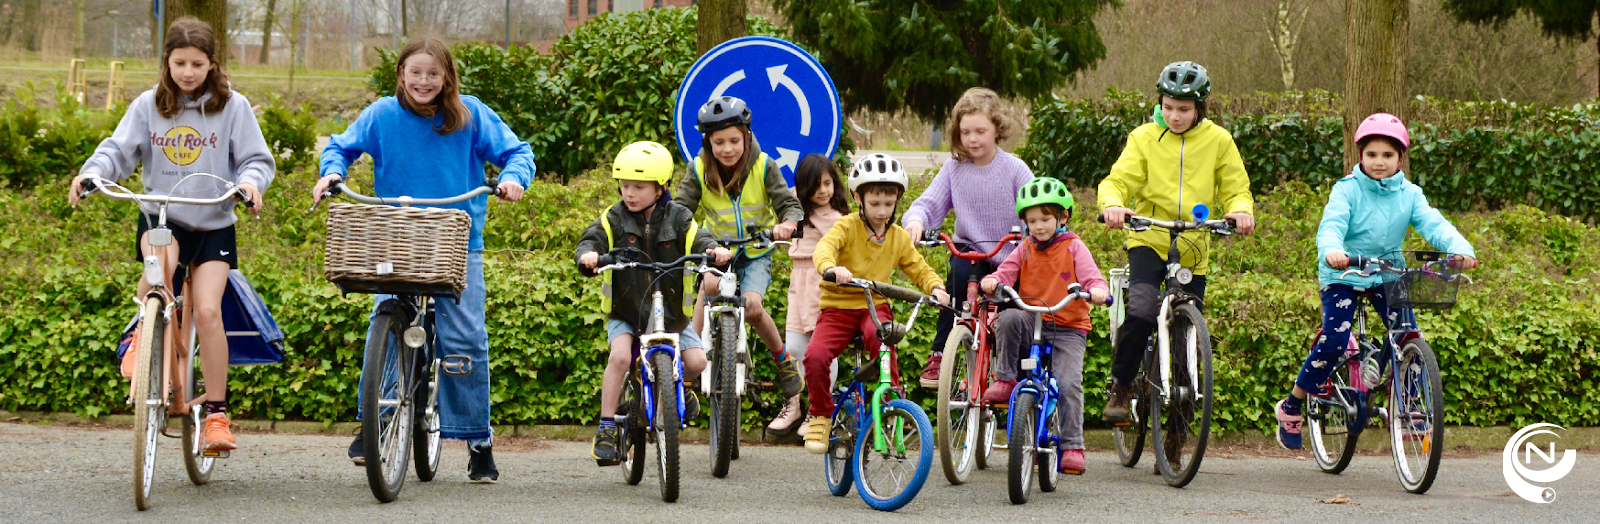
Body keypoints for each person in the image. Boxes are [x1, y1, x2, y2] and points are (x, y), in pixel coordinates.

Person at [312, 36, 533, 483]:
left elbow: (517, 151)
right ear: (401, 74)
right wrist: (332, 172)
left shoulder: (469, 114)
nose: (424, 81)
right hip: (397, 237)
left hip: (455, 241)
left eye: (434, 74)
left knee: (466, 337)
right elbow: (339, 146)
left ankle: (478, 440)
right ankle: (375, 420)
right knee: (385, 316)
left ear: (447, 77)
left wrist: (512, 178)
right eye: (415, 72)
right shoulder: (381, 115)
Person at [70, 17, 275, 453]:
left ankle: (217, 414)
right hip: (161, 215)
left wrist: (251, 183)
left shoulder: (232, 106)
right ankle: (142, 335)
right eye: (179, 62)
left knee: (207, 311)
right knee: (159, 271)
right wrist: (92, 174)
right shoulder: (148, 105)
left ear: (211, 65)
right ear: (166, 62)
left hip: (213, 218)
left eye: (197, 64)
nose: (187, 72)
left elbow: (256, 159)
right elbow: (117, 151)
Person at [1274, 113, 1477, 450]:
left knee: (1407, 337)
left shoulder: (1410, 194)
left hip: (1387, 271)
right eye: (1371, 154)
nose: (1379, 162)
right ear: (1360, 157)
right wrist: (1332, 250)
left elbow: (1434, 224)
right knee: (1336, 339)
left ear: (1400, 158)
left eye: (1387, 155)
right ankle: (1292, 404)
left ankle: (1411, 408)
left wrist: (1459, 249)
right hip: (1344, 271)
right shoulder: (1347, 190)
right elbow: (1332, 224)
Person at [1097, 61, 1257, 433]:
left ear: (1200, 108)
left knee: (1188, 332)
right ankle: (1121, 387)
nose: (1174, 115)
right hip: (1149, 237)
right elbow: (1118, 180)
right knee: (1139, 310)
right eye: (1168, 106)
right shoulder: (1144, 138)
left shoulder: (1218, 140)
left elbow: (1236, 186)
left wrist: (1240, 211)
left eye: (1183, 109)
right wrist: (1113, 206)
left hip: (1193, 246)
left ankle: (1180, 424)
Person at [575, 141, 733, 465]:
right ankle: (606, 427)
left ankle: (681, 387)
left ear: (660, 187)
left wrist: (714, 251)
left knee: (698, 362)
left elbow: (698, 238)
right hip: (627, 312)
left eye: (639, 186)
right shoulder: (615, 218)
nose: (629, 193)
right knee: (619, 358)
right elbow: (593, 237)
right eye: (625, 185)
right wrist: (588, 255)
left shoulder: (679, 217)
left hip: (672, 315)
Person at [800, 153, 951, 453]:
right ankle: (820, 414)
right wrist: (832, 267)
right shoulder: (846, 226)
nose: (882, 211)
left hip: (873, 307)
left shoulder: (897, 237)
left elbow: (918, 268)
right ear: (858, 198)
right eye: (874, 203)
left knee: (881, 337)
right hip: (838, 308)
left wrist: (936, 287)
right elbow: (824, 248)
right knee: (815, 356)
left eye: (889, 203)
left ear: (897, 201)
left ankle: (889, 402)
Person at [675, 96, 807, 403]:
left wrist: (788, 223)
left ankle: (782, 360)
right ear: (708, 142)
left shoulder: (764, 166)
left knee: (751, 307)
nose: (727, 149)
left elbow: (788, 205)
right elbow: (681, 210)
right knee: (707, 287)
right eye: (718, 142)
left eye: (734, 140)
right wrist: (677, 232)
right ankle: (690, 367)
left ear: (747, 135)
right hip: (715, 250)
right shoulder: (698, 170)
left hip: (754, 251)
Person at [901, 87, 1035, 388]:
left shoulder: (1014, 170)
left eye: (980, 131)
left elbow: (1039, 207)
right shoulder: (954, 169)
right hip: (970, 254)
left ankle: (1016, 379)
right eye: (965, 132)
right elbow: (927, 204)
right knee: (958, 280)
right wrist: (915, 221)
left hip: (1009, 258)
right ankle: (940, 352)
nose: (972, 139)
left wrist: (1033, 234)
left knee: (1013, 315)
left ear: (997, 129)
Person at [979, 177, 1109, 474]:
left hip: (1068, 325)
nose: (1039, 226)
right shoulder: (1025, 247)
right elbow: (1006, 272)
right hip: (1033, 318)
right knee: (1008, 316)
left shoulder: (1074, 247)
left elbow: (1092, 277)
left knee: (1067, 383)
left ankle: (1073, 444)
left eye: (1046, 219)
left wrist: (1098, 290)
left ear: (1062, 217)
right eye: (1032, 220)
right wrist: (995, 281)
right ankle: (1006, 378)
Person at [772, 154, 852, 434]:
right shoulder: (796, 209)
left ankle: (818, 411)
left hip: (824, 281)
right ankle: (794, 405)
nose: (823, 191)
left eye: (828, 183)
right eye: (816, 185)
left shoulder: (839, 219)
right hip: (799, 279)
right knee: (793, 345)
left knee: (822, 349)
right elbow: (783, 198)